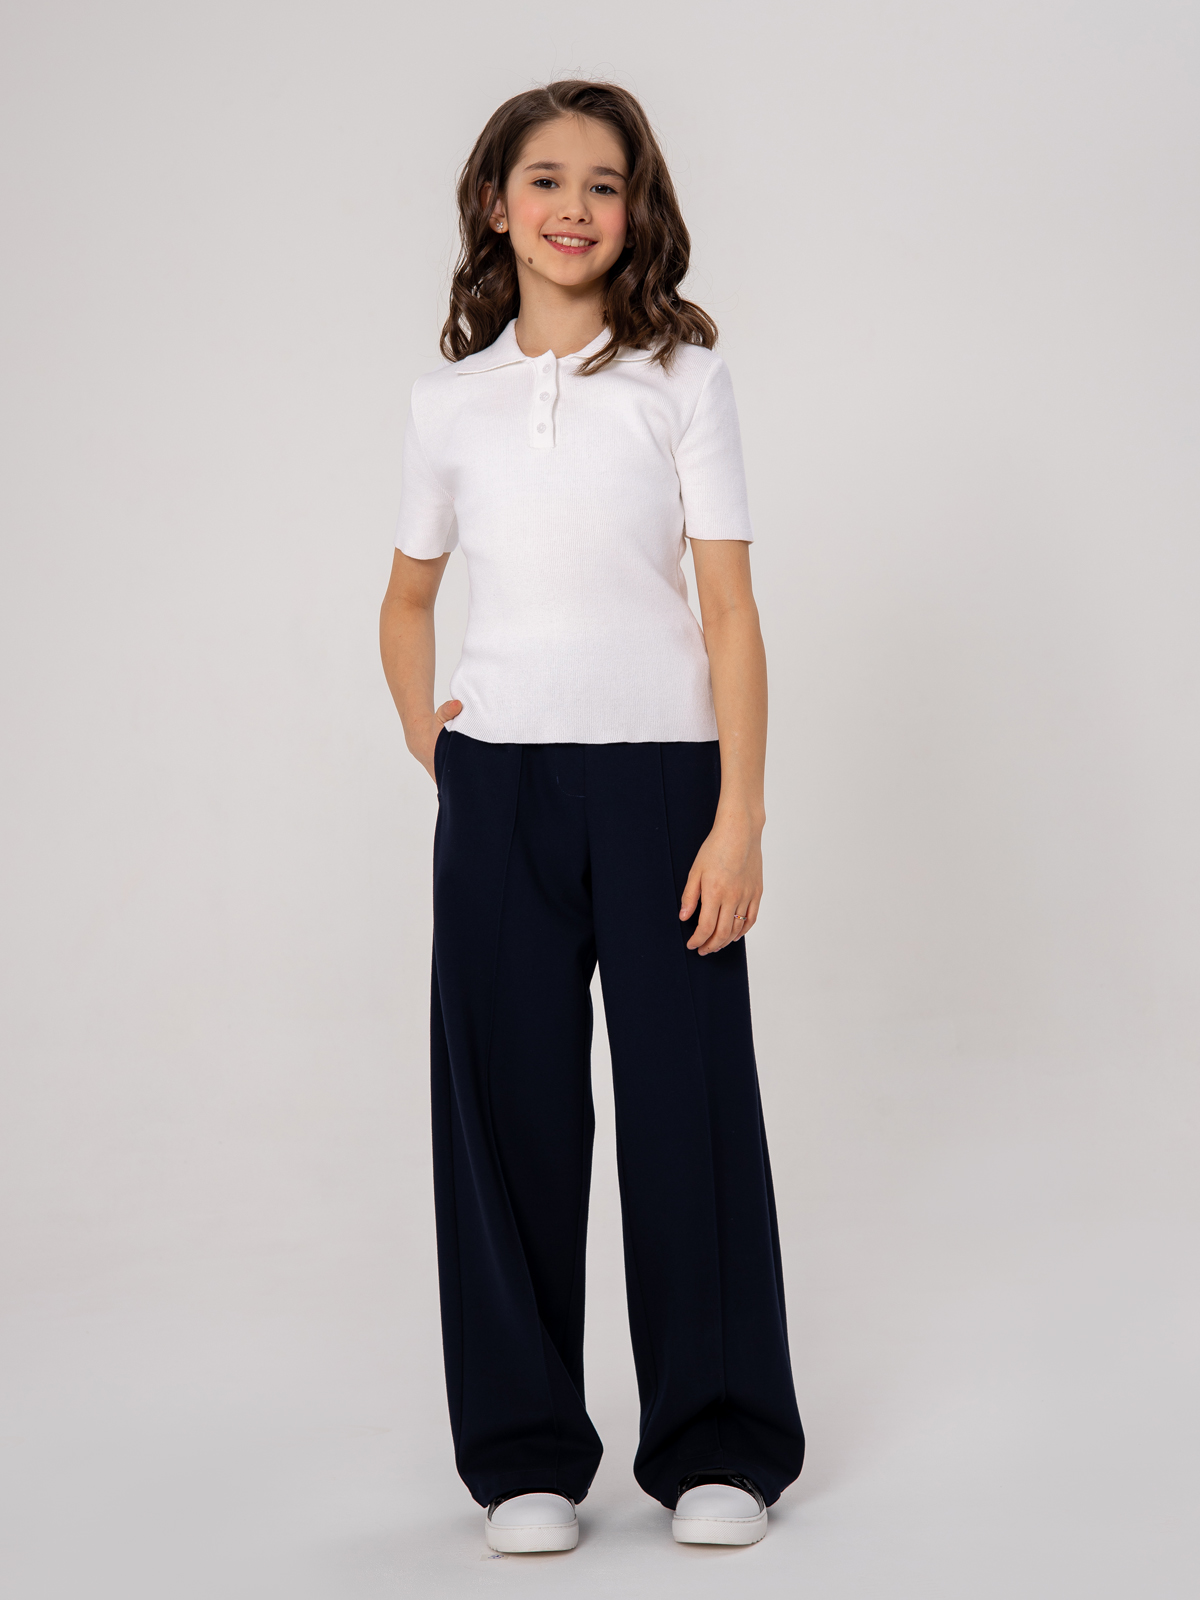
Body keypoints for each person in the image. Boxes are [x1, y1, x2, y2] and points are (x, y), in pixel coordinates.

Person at [379, 79, 804, 1554]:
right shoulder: (450, 404)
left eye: (604, 183)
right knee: (507, 1114)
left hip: (665, 782)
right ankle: (525, 1461)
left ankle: (720, 1443)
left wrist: (740, 817)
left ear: (637, 210)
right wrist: (436, 745)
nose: (574, 206)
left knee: (690, 1107)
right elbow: (407, 601)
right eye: (546, 178)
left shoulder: (682, 380)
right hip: (500, 785)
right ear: (497, 204)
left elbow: (731, 611)